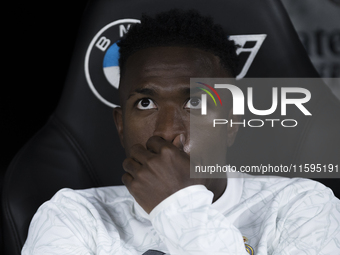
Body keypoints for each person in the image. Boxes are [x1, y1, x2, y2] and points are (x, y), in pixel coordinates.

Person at [22, 9, 340, 255]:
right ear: (120, 125)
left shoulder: (302, 206)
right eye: (145, 103)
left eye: (196, 102)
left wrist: (179, 205)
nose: (168, 130)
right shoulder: (72, 217)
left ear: (231, 122)